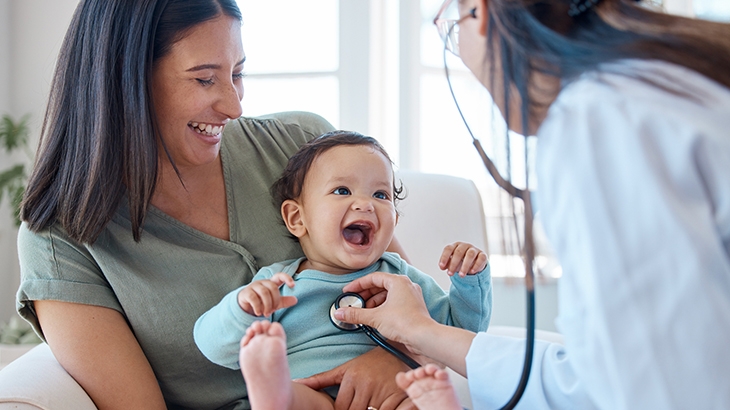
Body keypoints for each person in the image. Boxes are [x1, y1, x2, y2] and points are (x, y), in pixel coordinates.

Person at [15, 1, 419, 409]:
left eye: (237, 73)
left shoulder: (304, 146)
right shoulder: (59, 240)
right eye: (205, 79)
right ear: (126, 78)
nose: (234, 106)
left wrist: (393, 359)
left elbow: (410, 296)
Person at [327, 0, 730, 409]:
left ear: (479, 13)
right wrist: (423, 332)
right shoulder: (673, 82)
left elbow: (656, 391)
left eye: (450, 30)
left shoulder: (599, 120)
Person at [193, 131, 493, 410]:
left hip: (394, 396)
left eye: (380, 195)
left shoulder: (402, 280)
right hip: (315, 393)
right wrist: (244, 308)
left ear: (395, 220)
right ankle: (272, 387)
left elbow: (456, 334)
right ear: (297, 218)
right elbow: (212, 346)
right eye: (342, 190)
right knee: (299, 400)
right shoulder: (279, 284)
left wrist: (468, 281)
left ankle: (438, 402)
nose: (364, 204)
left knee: (416, 399)